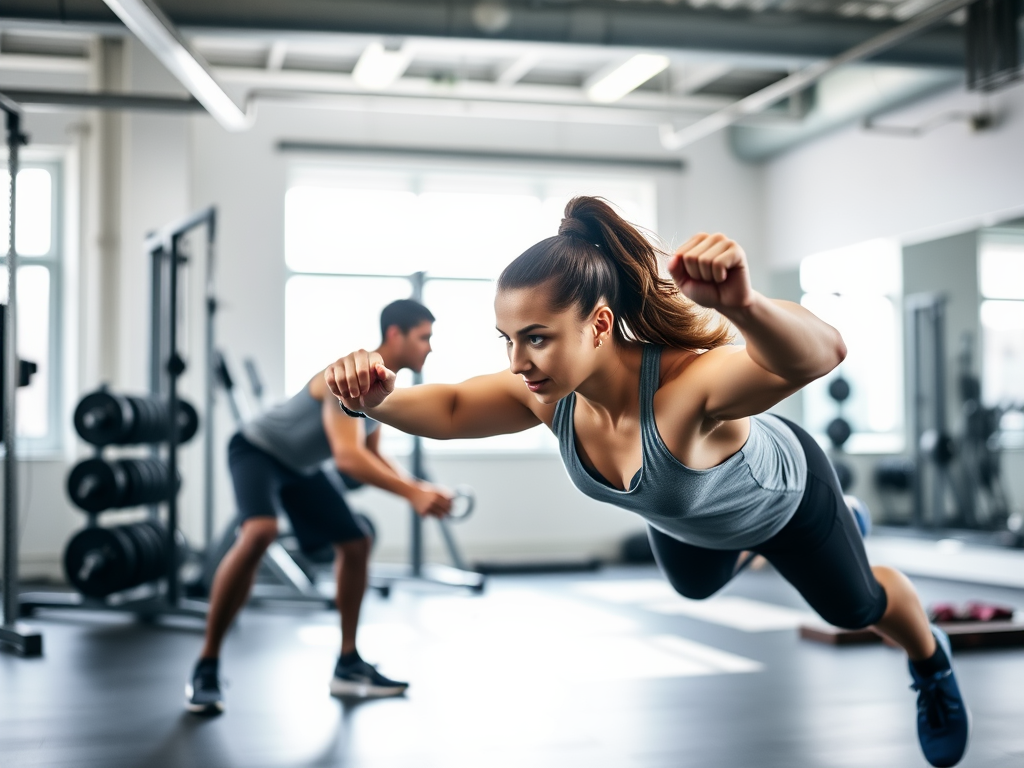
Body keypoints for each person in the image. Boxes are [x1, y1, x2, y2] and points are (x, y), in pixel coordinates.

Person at [324, 197, 970, 768]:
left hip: (788, 500)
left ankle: (929, 660)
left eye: (538, 339)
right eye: (508, 340)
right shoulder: (546, 395)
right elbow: (455, 409)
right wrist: (371, 400)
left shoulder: (686, 390)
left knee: (853, 610)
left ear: (599, 325)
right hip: (693, 519)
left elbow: (822, 354)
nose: (519, 362)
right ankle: (776, 543)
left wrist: (742, 306)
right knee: (692, 585)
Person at [187, 299, 453, 715]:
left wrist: (419, 487)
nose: (430, 348)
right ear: (395, 335)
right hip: (257, 449)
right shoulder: (353, 374)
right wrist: (411, 494)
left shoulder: (381, 385)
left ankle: (348, 664)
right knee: (260, 531)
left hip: (302, 465)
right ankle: (206, 664)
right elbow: (347, 459)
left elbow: (371, 450)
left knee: (356, 542)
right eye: (425, 337)